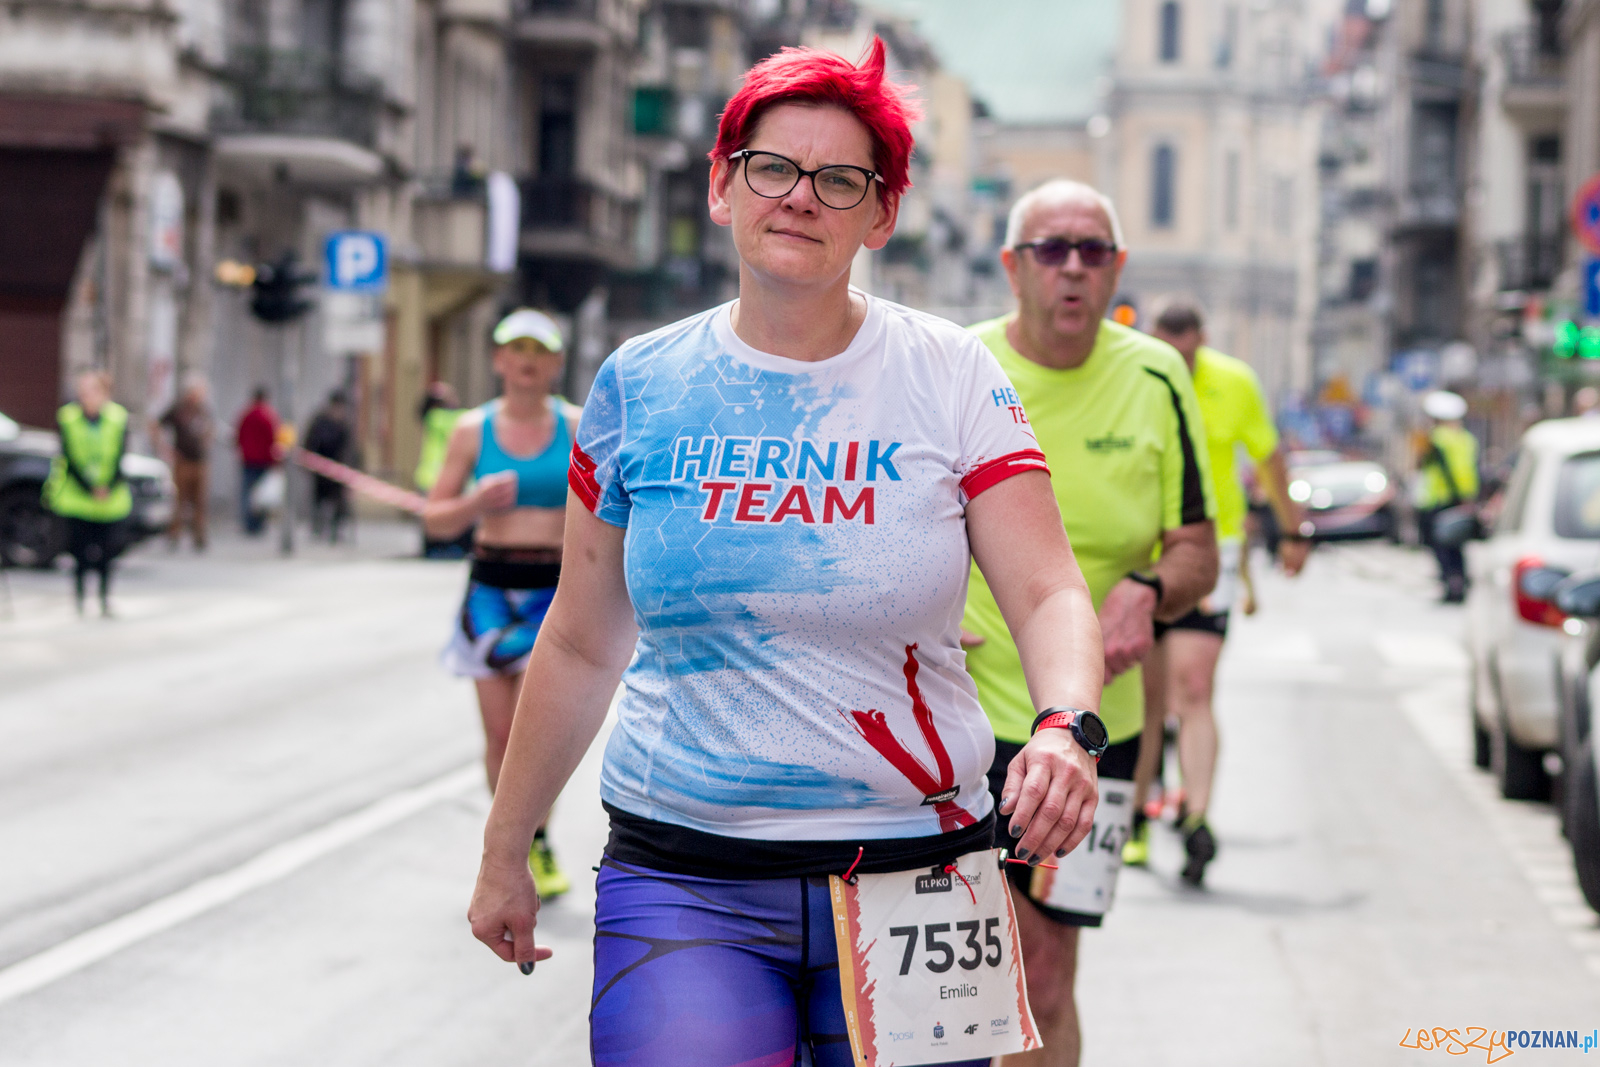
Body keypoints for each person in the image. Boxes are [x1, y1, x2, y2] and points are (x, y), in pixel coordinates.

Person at [468, 43, 1107, 1067]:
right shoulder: (641, 384)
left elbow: (1044, 590)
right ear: (722, 186)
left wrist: (1065, 727)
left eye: (839, 180)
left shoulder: (949, 373)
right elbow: (583, 641)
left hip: (918, 876)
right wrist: (508, 844)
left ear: (879, 214)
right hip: (687, 871)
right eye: (772, 167)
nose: (800, 198)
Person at [959, 180, 1219, 1067]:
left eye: (1091, 251)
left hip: (1093, 733)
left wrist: (1150, 586)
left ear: (1117, 269)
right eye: (1050, 249)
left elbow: (1199, 549)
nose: (1072, 268)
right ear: (1012, 267)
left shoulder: (1157, 374)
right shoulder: (961, 367)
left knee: (1046, 975)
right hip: (954, 726)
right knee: (940, 983)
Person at [1122, 302, 1311, 883]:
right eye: (1168, 349)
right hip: (1143, 548)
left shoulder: (1234, 382)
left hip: (1214, 548)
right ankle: (1136, 817)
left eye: (1188, 352)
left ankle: (1197, 817)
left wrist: (1291, 530)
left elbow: (1269, 458)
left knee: (1195, 687)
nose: (1178, 360)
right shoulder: (1135, 376)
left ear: (1202, 342)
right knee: (1148, 697)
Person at [426, 309, 579, 901]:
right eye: (515, 349)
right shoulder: (471, 430)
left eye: (538, 351)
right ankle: (516, 846)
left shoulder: (576, 425)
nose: (527, 360)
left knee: (537, 734)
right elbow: (435, 517)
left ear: (555, 364)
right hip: (490, 591)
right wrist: (474, 502)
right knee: (499, 735)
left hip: (554, 590)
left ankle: (536, 839)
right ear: (498, 361)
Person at [43, 371, 132, 617]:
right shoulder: (68, 417)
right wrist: (88, 487)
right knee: (79, 552)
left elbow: (121, 455)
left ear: (105, 393)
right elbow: (67, 456)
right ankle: (81, 599)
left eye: (93, 391)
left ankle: (104, 599)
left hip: (110, 499)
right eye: (83, 391)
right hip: (77, 498)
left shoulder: (118, 418)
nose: (87, 396)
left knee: (108, 552)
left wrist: (108, 486)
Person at [1415, 389, 1479, 603]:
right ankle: (1459, 583)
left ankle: (1450, 584)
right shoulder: (1467, 439)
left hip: (1439, 500)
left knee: (1440, 546)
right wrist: (1467, 498)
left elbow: (1434, 466)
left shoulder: (1437, 438)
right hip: (1460, 499)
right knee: (1456, 546)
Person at [157, 374, 213, 551]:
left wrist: (207, 440)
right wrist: (166, 449)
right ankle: (174, 534)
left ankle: (199, 536)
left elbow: (210, 428)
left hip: (200, 461)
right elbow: (156, 424)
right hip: (183, 461)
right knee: (180, 501)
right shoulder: (178, 410)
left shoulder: (203, 410)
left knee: (200, 501)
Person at [415, 382, 470, 558]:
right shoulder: (453, 419)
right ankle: (453, 547)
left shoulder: (431, 419)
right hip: (446, 476)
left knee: (433, 518)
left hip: (429, 475)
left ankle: (433, 548)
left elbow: (420, 411)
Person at [304, 391, 353, 543]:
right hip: (320, 469)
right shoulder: (320, 422)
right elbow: (312, 442)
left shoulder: (343, 424)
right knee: (319, 500)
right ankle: (318, 527)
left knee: (338, 502)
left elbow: (348, 449)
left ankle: (335, 530)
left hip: (337, 471)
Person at [235, 386, 279, 536]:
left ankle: (249, 523)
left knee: (247, 493)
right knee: (262, 494)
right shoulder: (268, 416)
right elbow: (273, 438)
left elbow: (238, 435)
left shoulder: (246, 414)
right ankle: (259, 523)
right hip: (264, 460)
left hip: (248, 459)